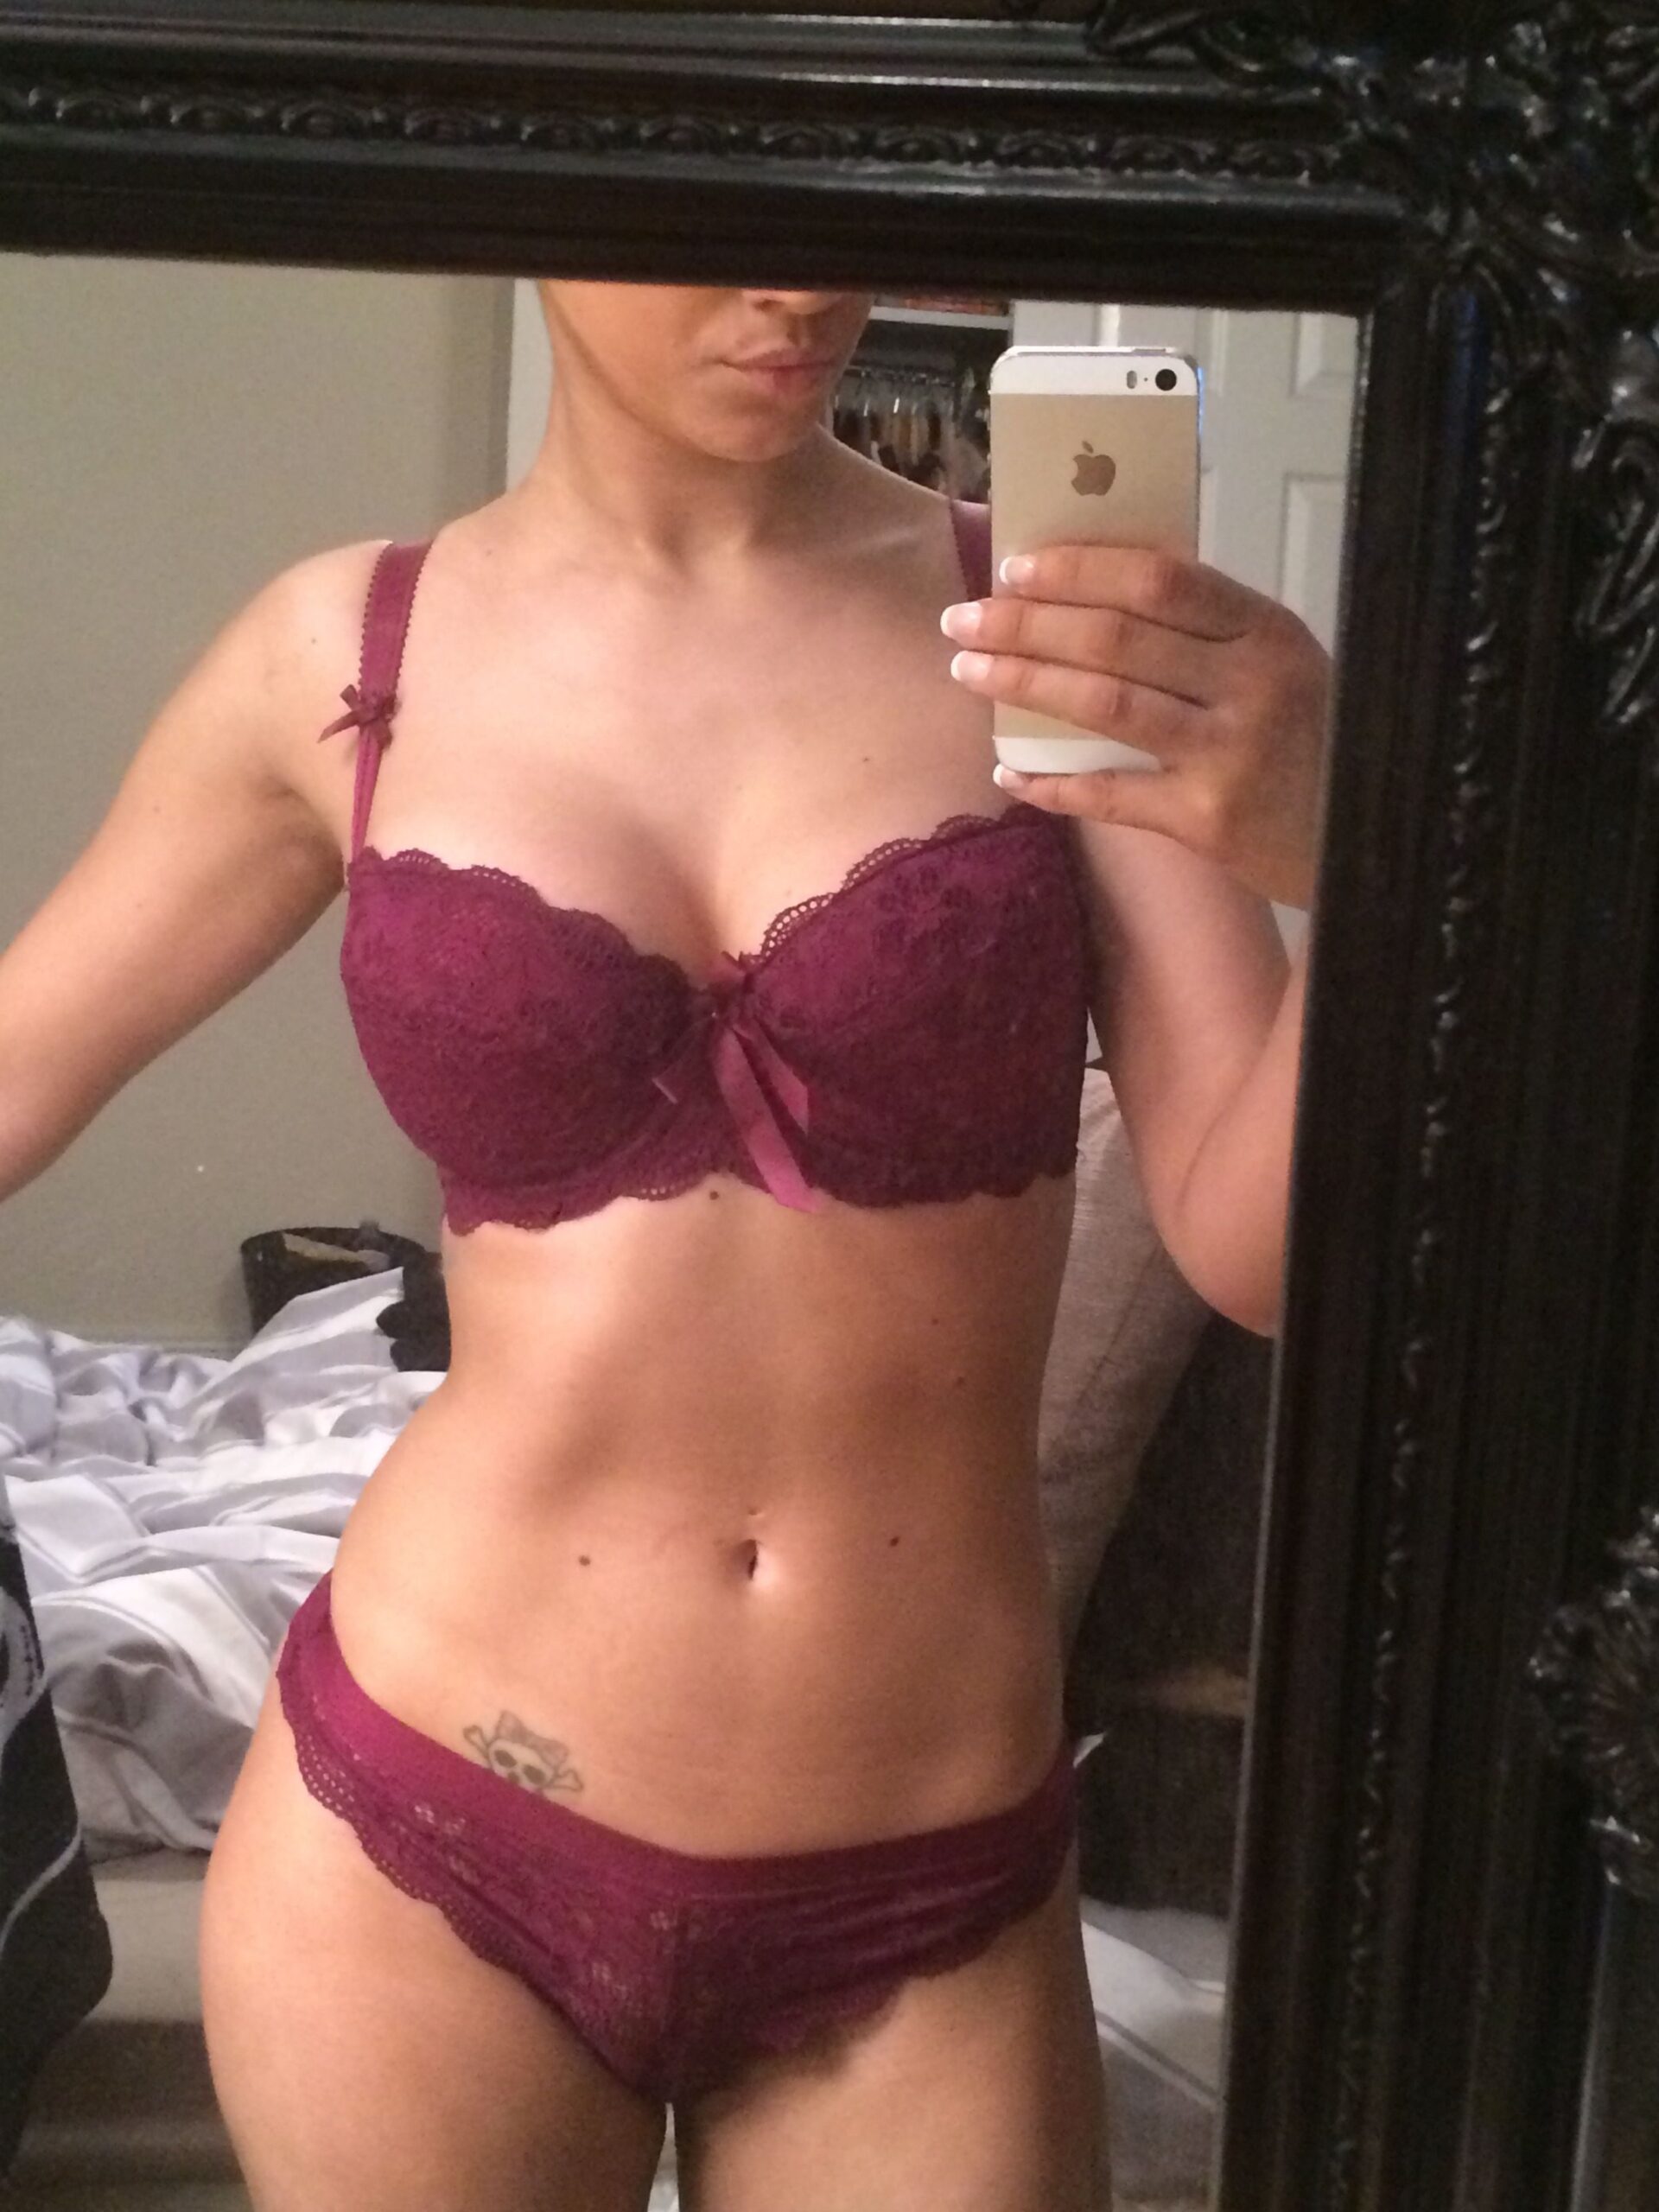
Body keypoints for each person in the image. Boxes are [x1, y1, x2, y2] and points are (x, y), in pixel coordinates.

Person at [0, 282, 1326, 2211]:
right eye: (706, 207)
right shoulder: (345, 650)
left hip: (928, 1863)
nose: (792, 280)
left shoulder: (1051, 625)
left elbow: (1248, 1239)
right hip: (429, 1821)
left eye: (831, 193)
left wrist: (1360, 850)